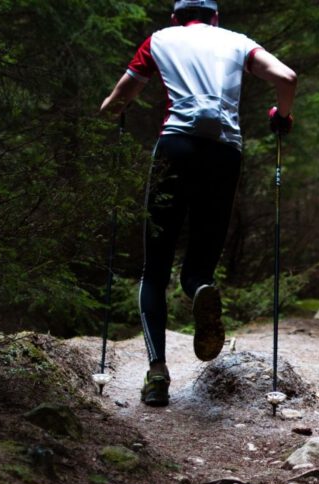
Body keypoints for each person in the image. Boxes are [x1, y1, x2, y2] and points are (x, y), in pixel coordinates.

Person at [101, 0, 296, 406]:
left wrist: (111, 111)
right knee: (200, 262)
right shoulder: (238, 42)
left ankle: (157, 374)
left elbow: (123, 95)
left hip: (176, 148)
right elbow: (286, 76)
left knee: (154, 267)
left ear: (177, 17)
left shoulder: (159, 40)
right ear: (215, 18)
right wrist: (282, 114)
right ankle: (202, 288)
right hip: (224, 153)